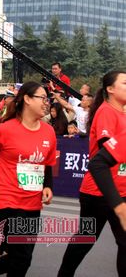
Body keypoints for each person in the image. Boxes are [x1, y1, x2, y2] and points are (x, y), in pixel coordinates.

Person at [0, 82, 57, 277]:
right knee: (21, 256)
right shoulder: (6, 129)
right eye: (42, 98)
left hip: (33, 202)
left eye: (47, 99)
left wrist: (48, 186)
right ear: (27, 99)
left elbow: (47, 163)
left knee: (23, 258)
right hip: (7, 200)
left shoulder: (48, 131)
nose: (46, 102)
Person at [58, 70, 126, 277]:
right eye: (125, 83)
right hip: (99, 192)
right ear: (110, 89)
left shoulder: (122, 113)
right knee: (85, 240)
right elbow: (107, 149)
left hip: (119, 190)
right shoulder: (106, 112)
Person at [89, 133, 126, 232]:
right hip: (98, 191)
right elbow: (97, 164)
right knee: (86, 238)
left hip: (118, 190)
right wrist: (120, 207)